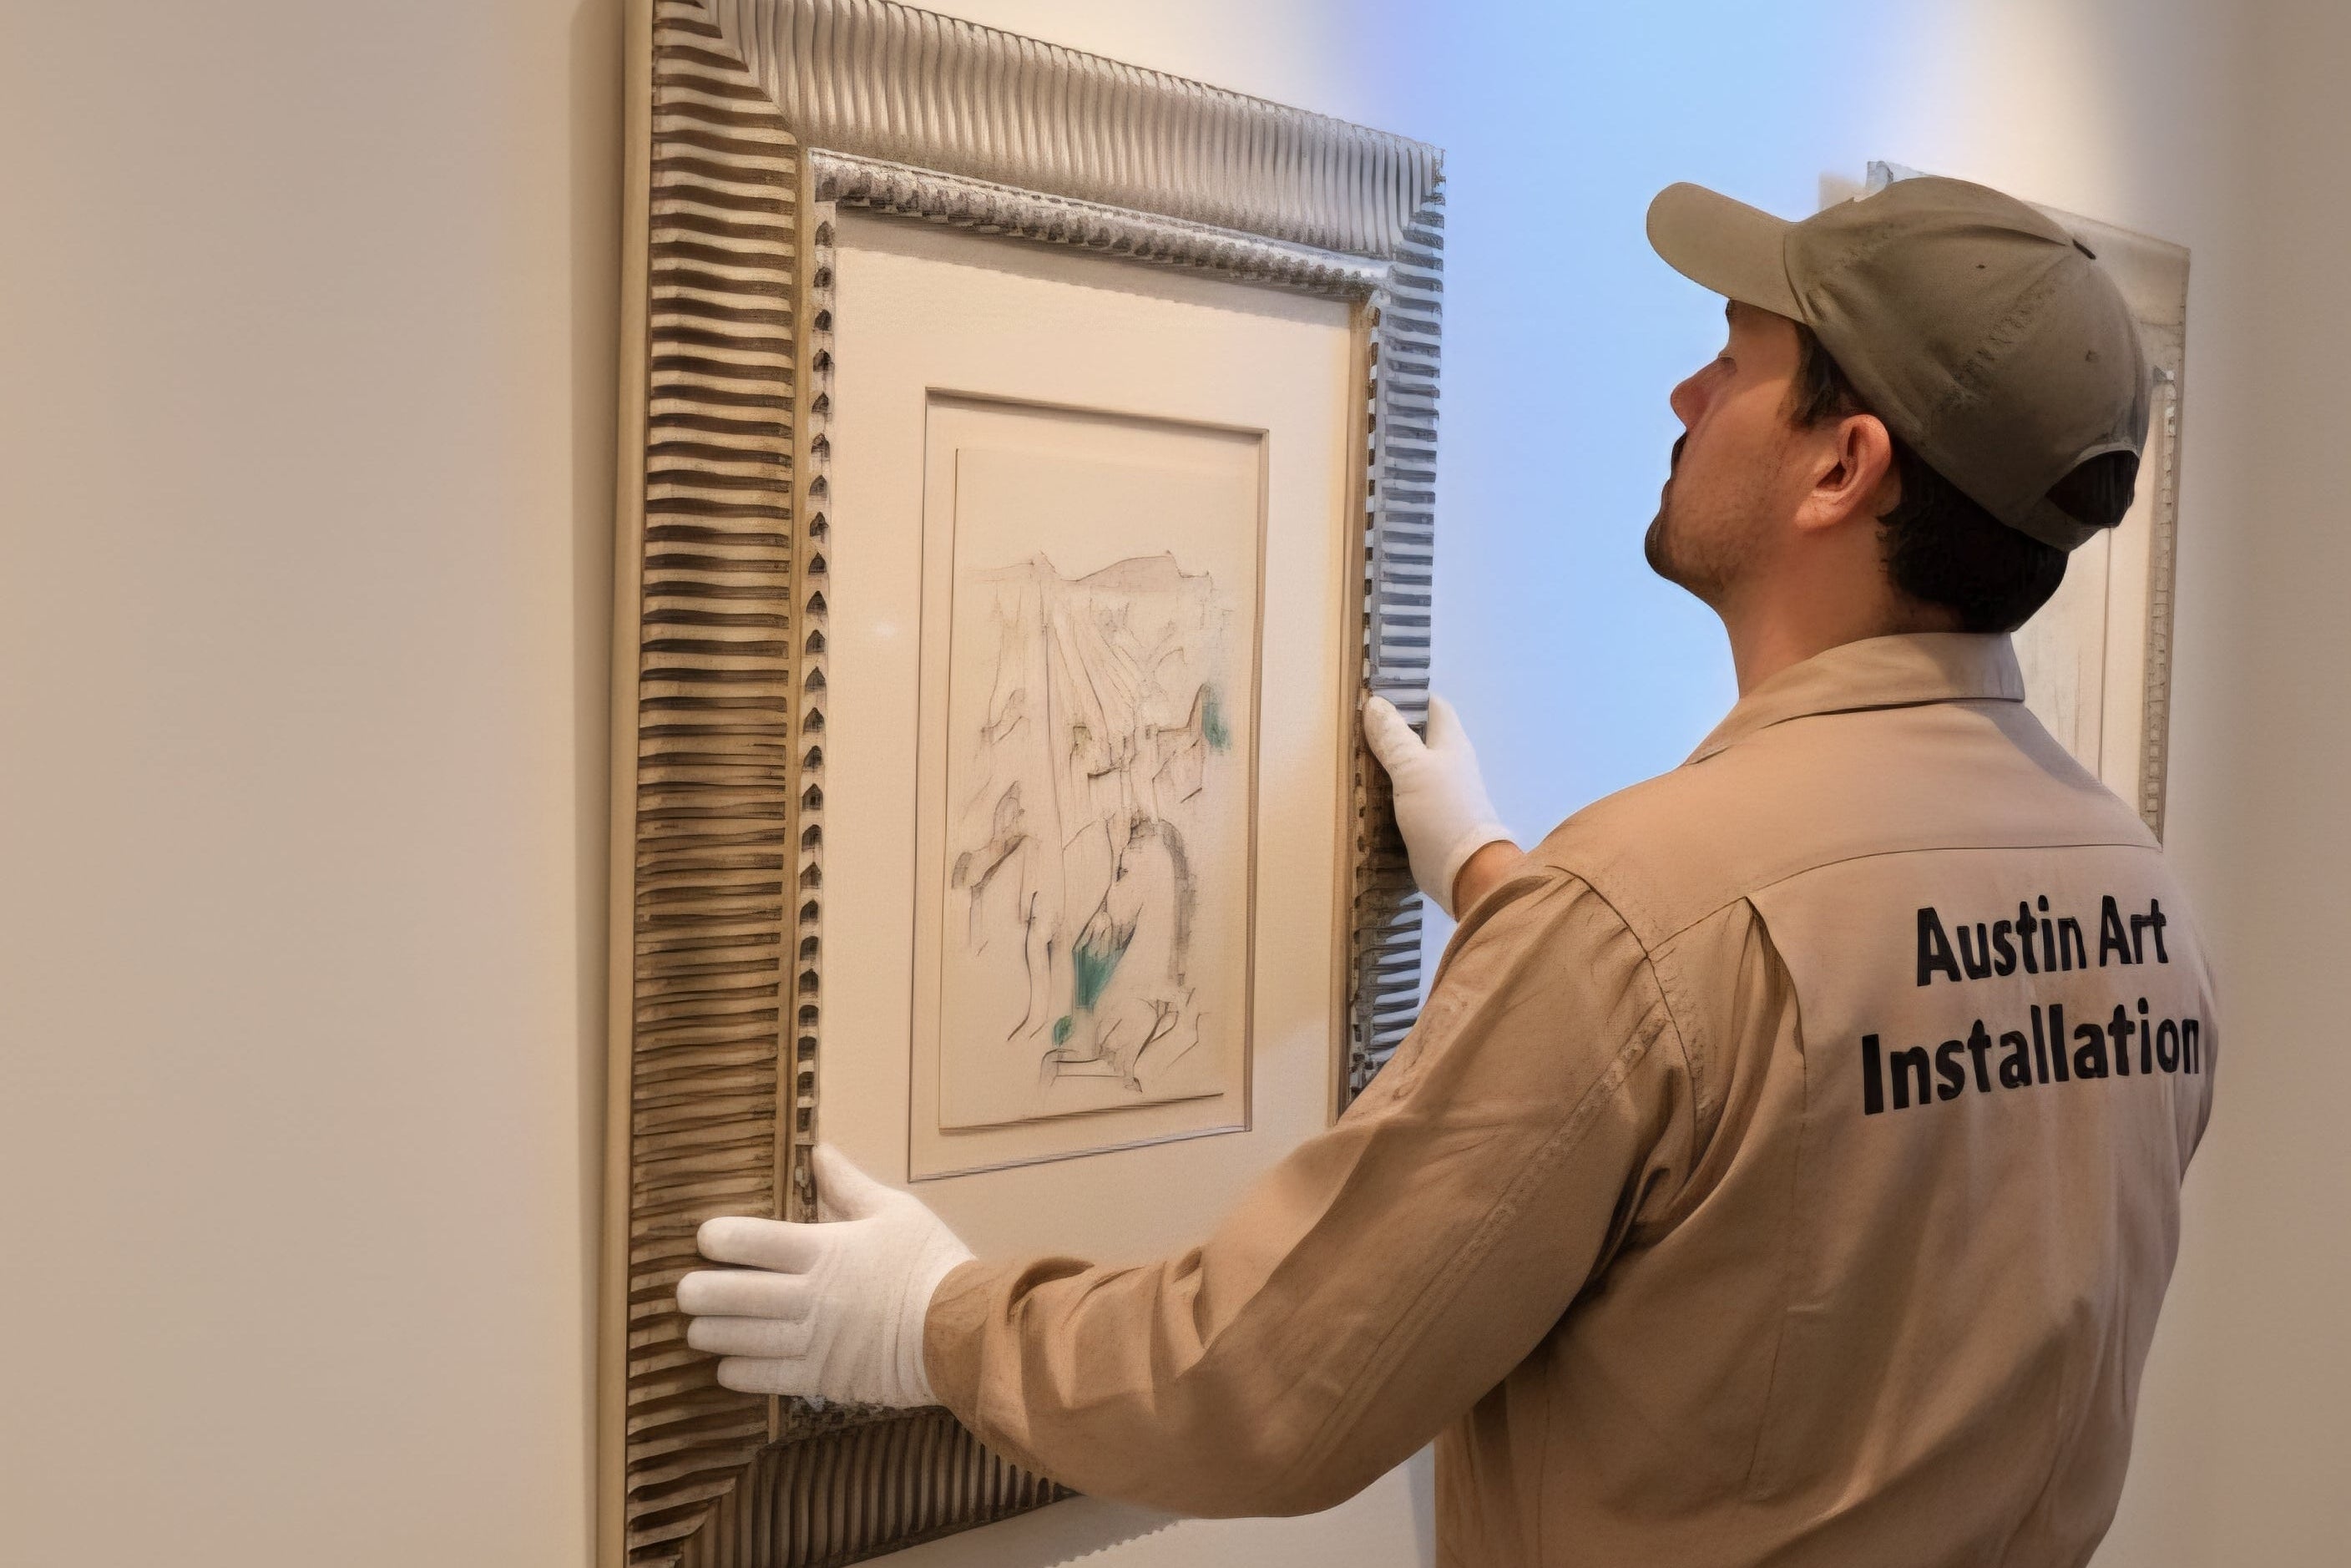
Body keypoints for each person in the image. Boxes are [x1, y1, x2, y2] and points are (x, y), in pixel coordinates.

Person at [675, 175, 2217, 1565]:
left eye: (1738, 362)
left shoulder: (1645, 917)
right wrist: (1497, 881)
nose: (1685, 390)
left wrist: (932, 1321)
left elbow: (1266, 1386)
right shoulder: (2139, 900)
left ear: (1841, 469)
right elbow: (1797, 1120)